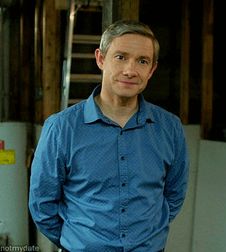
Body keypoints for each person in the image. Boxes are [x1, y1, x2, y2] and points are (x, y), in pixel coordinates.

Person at [29, 20, 189, 252]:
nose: (130, 70)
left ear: (152, 69)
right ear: (101, 58)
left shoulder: (170, 128)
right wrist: (79, 242)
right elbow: (42, 205)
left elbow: (174, 196)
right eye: (121, 57)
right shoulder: (61, 128)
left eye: (142, 61)